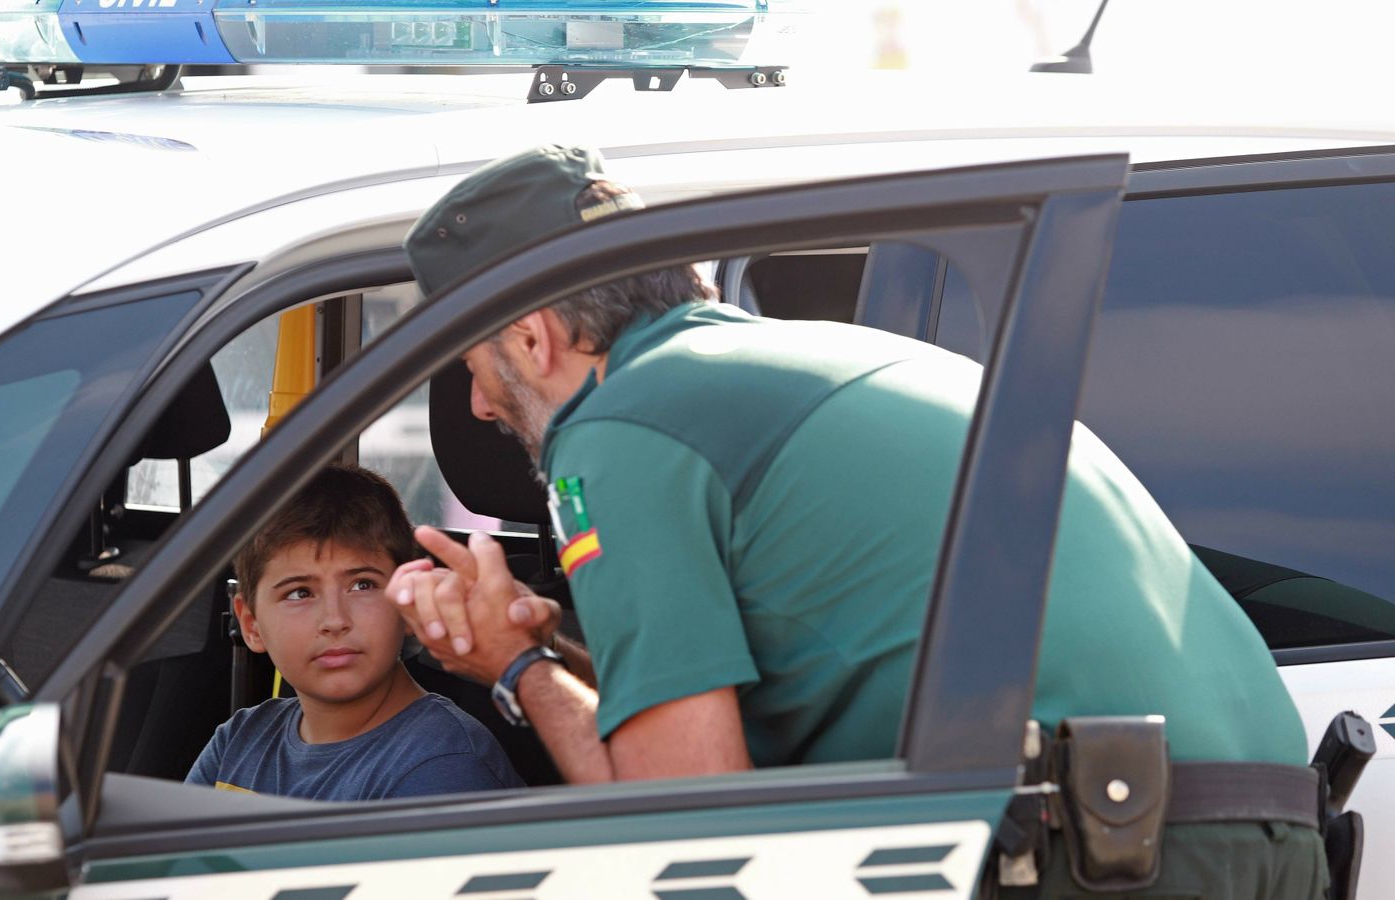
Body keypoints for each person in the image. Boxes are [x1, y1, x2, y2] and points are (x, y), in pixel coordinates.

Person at [387, 144, 1328, 897]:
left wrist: (515, 672)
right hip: (1254, 818)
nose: (473, 404)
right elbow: (752, 705)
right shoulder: (793, 363)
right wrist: (550, 647)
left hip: (1106, 845)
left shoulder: (623, 428)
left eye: (467, 361)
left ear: (529, 336)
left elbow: (688, 827)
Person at [187, 464, 522, 801]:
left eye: (362, 585)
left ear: (409, 601)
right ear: (251, 625)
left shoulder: (443, 766)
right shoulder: (238, 742)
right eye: (300, 593)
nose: (334, 620)